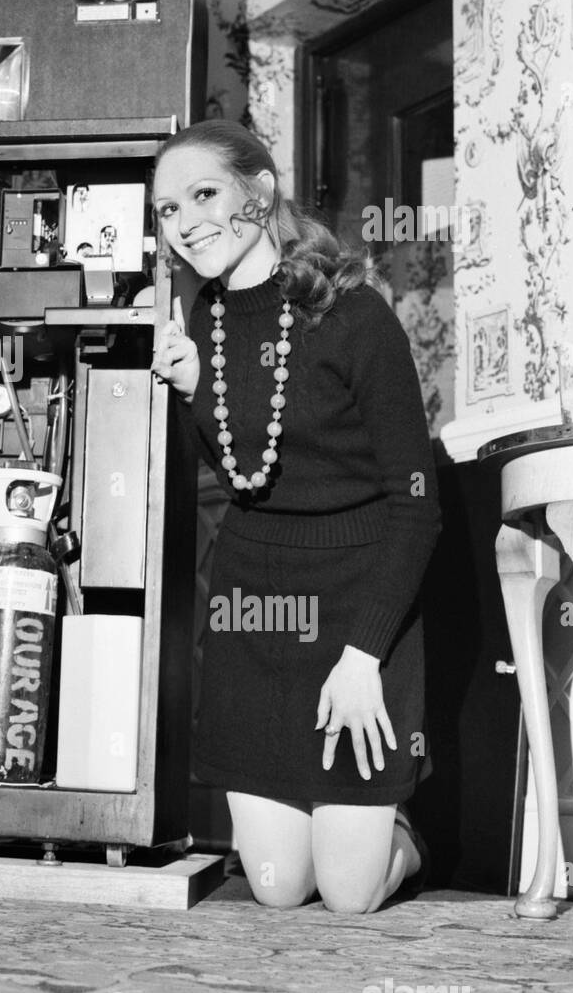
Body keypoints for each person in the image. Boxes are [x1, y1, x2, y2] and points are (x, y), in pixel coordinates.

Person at [150, 120, 440, 913]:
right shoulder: (196, 326)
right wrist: (188, 393)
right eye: (168, 210)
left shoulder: (354, 316)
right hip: (257, 602)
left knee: (350, 895)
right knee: (277, 890)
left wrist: (363, 656)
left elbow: (419, 508)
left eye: (204, 194)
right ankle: (343, 822)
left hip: (358, 603)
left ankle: (406, 835)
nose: (186, 222)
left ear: (261, 191)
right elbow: (241, 477)